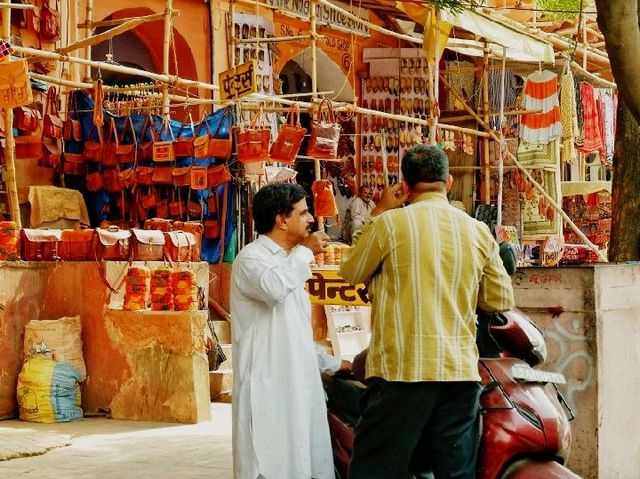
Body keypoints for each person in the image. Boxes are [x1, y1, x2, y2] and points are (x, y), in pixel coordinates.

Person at [340, 145, 514, 479]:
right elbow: (499, 299)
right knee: (455, 473)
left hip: (401, 372)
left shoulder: (388, 225)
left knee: (375, 470)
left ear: (403, 184)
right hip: (458, 372)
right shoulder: (477, 231)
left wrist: (378, 211)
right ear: (448, 182)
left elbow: (350, 271)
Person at [230, 182, 350, 479]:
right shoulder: (251, 258)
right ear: (282, 220)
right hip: (268, 388)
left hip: (298, 385)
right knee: (271, 462)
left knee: (302, 460)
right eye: (303, 212)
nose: (311, 219)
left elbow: (295, 333)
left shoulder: (290, 262)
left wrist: (334, 364)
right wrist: (306, 253)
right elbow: (273, 289)